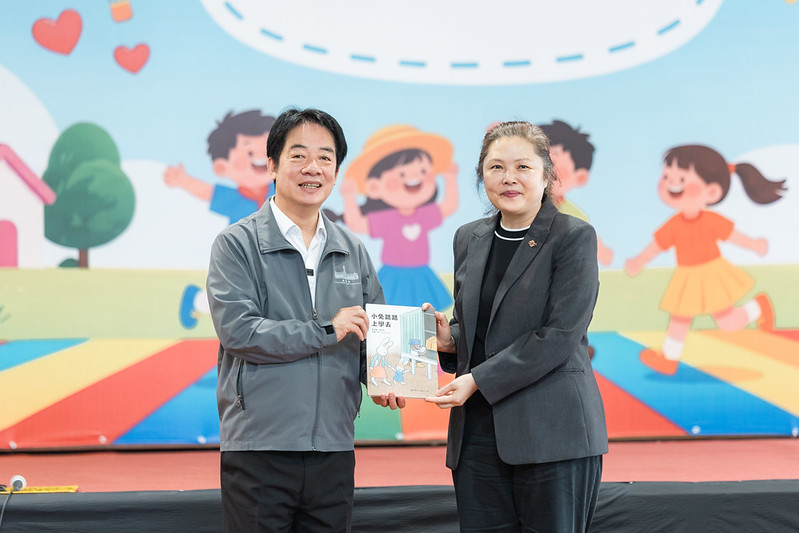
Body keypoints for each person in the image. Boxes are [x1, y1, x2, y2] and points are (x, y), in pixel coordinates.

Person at [206, 107, 405, 533]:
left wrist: (389, 376)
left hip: (334, 446)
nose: (312, 168)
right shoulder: (237, 244)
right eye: (298, 155)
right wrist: (327, 330)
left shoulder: (352, 249)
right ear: (272, 166)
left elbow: (371, 336)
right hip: (260, 447)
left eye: (325, 158)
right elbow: (240, 332)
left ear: (336, 171)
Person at [424, 121, 608, 532]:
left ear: (546, 175)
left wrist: (477, 379)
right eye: (496, 167)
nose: (509, 178)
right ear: (481, 175)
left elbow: (559, 336)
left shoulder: (573, 237)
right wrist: (450, 339)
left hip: (553, 433)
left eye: (522, 167)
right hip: (477, 436)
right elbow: (476, 326)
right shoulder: (468, 238)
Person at [625, 144, 785, 375]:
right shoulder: (674, 224)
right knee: (680, 318)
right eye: (667, 177)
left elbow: (733, 236)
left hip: (711, 274)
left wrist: (754, 245)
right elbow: (657, 246)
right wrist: (639, 261)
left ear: (712, 192)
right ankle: (669, 359)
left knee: (728, 322)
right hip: (687, 277)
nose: (672, 184)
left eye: (681, 179)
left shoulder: (710, 220)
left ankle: (758, 307)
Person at [337, 124, 458, 310]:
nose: (414, 178)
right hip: (393, 275)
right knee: (390, 311)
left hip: (421, 274)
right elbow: (357, 223)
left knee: (426, 315)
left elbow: (448, 206)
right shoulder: (387, 219)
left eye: (423, 171)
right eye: (402, 174)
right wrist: (349, 198)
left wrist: (450, 179)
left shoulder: (424, 215)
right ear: (374, 187)